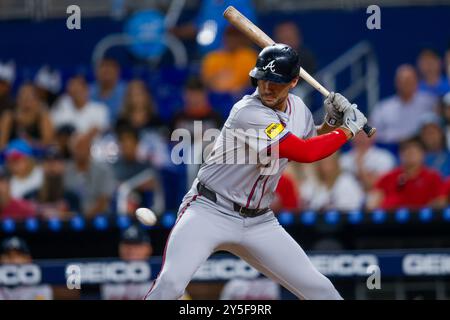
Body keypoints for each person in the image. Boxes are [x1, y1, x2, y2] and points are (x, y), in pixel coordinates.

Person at [144, 43, 369, 300]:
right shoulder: (248, 112)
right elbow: (304, 153)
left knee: (321, 290)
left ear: (294, 82)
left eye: (276, 82)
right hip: (209, 209)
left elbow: (311, 140)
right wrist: (347, 130)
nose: (267, 88)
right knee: (170, 285)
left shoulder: (299, 109)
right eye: (262, 79)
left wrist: (331, 124)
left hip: (259, 220)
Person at [367, 137, 447, 210]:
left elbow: (441, 201)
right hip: (392, 221)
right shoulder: (389, 177)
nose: (410, 154)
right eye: (407, 150)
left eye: (414, 151)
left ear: (423, 155)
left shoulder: (433, 177)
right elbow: (373, 201)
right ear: (401, 155)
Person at [370, 64, 438, 144]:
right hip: (391, 148)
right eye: (404, 81)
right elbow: (372, 132)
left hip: (421, 148)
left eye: (410, 80)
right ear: (397, 83)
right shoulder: (383, 107)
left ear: (416, 81)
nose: (407, 84)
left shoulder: (429, 102)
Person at [64, 134, 116, 218]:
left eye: (84, 147)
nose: (81, 151)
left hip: (99, 219)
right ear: (72, 150)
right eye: (78, 147)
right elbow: (63, 200)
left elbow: (104, 199)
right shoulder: (65, 171)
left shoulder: (103, 170)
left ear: (90, 149)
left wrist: (86, 217)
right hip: (71, 219)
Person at [100, 224, 154, 300]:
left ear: (148, 248)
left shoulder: (159, 273)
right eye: (127, 244)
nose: (131, 249)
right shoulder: (109, 274)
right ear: (120, 248)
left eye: (137, 245)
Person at [24, 147, 80, 219]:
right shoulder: (30, 196)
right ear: (42, 167)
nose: (52, 165)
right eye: (48, 161)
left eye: (56, 161)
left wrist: (59, 214)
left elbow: (78, 219)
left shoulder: (72, 197)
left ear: (63, 166)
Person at [201, 26, 258, 94]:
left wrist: (240, 88)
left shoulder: (250, 56)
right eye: (229, 37)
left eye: (234, 37)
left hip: (242, 95)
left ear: (239, 39)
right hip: (217, 96)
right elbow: (206, 81)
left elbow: (254, 81)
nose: (232, 40)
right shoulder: (213, 57)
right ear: (224, 38)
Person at [300, 152, 365, 211]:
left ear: (336, 163)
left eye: (328, 162)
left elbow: (349, 211)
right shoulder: (312, 182)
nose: (325, 167)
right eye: (322, 162)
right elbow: (304, 206)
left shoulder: (346, 182)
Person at [0, 83, 54, 149]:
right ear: (17, 99)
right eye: (23, 96)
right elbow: (2, 144)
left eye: (29, 97)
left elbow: (49, 143)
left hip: (35, 156)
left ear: (37, 100)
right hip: (12, 155)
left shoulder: (42, 117)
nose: (26, 100)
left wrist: (30, 143)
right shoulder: (9, 116)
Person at [89, 58, 127, 123]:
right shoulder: (87, 91)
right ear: (96, 72)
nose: (106, 70)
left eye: (110, 67)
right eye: (103, 66)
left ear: (118, 71)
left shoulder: (127, 90)